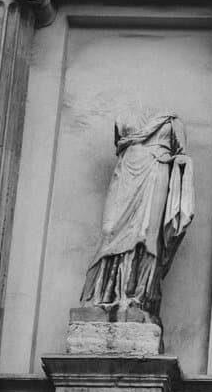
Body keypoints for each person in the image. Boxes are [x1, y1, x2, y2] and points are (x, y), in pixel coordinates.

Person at [81, 109, 194, 317]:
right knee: (109, 230)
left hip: (155, 171)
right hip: (126, 170)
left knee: (146, 235)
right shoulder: (123, 116)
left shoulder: (172, 120)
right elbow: (119, 142)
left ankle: (137, 298)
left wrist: (180, 162)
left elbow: (181, 153)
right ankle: (103, 295)